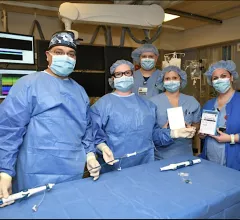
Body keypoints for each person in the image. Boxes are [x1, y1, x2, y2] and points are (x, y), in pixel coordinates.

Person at [0, 31, 100, 207]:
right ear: (48, 55)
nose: (65, 57)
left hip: (72, 172)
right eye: (59, 52)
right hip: (35, 173)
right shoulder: (28, 85)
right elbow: (9, 130)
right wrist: (5, 171)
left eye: (70, 54)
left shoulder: (79, 92)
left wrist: (90, 154)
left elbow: (86, 129)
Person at [90, 60, 196, 173]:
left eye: (127, 73)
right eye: (119, 74)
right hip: (114, 166)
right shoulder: (103, 105)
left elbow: (153, 135)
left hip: (145, 165)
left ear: (133, 75)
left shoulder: (147, 105)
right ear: (113, 78)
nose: (123, 76)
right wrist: (102, 147)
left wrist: (174, 133)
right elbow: (92, 134)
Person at [150, 65, 201, 160]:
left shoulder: (191, 101)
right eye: (167, 78)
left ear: (180, 80)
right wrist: (164, 130)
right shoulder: (153, 102)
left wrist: (192, 129)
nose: (171, 81)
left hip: (185, 153)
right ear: (163, 81)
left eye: (174, 78)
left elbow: (197, 125)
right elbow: (149, 131)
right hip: (161, 155)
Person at [199, 60, 240, 170]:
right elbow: (204, 131)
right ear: (211, 82)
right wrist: (202, 134)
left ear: (231, 78)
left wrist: (232, 138)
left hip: (234, 162)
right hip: (210, 159)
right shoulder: (209, 104)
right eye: (215, 78)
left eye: (223, 76)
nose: (219, 80)